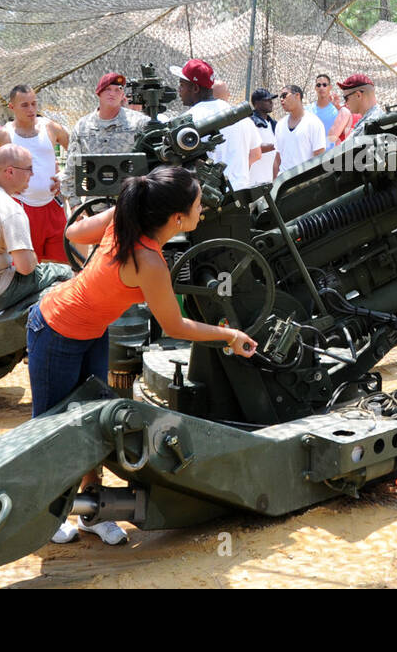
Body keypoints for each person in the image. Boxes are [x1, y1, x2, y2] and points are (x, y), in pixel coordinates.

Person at [28, 166, 257, 543]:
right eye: (199, 205)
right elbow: (177, 326)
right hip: (55, 331)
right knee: (51, 429)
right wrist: (229, 334)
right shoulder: (149, 262)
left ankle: (91, 510)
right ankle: (48, 514)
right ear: (177, 218)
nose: (203, 211)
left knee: (93, 421)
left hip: (91, 332)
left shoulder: (126, 218)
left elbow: (74, 233)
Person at [0, 143, 73, 317]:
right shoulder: (10, 208)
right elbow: (26, 268)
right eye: (29, 169)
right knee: (66, 273)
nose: (32, 174)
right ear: (10, 172)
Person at [0, 85, 70, 263]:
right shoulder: (4, 135)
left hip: (53, 206)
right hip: (21, 208)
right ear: (11, 107)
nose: (31, 109)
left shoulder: (50, 127)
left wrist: (65, 176)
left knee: (64, 267)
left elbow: (77, 151)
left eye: (34, 104)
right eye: (25, 105)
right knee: (27, 268)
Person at [62, 71, 148, 214]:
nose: (112, 93)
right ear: (99, 93)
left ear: (123, 96)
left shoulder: (139, 123)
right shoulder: (83, 126)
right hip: (96, 209)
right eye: (107, 89)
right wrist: (75, 205)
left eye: (117, 89)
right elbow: (72, 167)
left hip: (132, 206)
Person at [170, 59, 259, 191]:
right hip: (242, 195)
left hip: (210, 201)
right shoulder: (241, 117)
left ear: (195, 88)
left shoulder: (186, 122)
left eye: (182, 85)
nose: (179, 90)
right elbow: (255, 154)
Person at [273, 85, 327, 178]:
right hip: (283, 184)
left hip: (304, 183)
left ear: (297, 95)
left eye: (284, 95)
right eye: (280, 97)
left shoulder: (313, 123)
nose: (281, 99)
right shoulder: (280, 125)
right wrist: (274, 185)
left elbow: (319, 158)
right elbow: (278, 159)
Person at [337, 73, 382, 140]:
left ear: (358, 95)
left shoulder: (368, 125)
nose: (345, 103)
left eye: (346, 98)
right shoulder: (380, 117)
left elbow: (344, 149)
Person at [247, 88, 277, 185]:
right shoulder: (250, 122)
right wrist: (277, 145)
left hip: (270, 177)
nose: (271, 102)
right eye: (267, 100)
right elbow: (253, 148)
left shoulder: (273, 123)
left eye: (271, 100)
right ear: (257, 103)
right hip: (254, 179)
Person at [307, 74, 340, 149]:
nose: (321, 88)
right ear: (315, 88)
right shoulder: (307, 110)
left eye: (324, 85)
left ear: (330, 87)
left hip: (331, 157)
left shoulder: (337, 111)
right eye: (318, 85)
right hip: (312, 157)